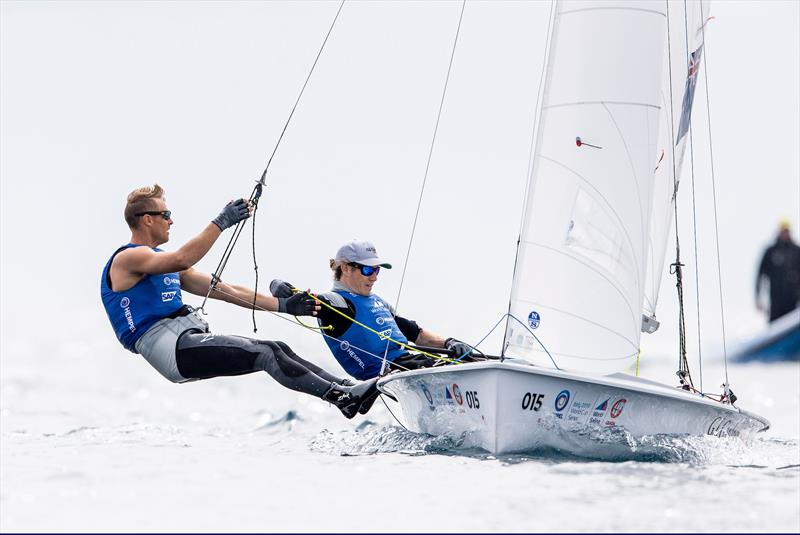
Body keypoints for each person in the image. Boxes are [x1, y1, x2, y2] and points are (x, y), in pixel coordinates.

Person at [100, 184, 379, 418]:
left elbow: (227, 290)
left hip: (183, 341)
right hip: (169, 350)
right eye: (166, 214)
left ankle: (347, 389)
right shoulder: (128, 257)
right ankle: (342, 398)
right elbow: (182, 258)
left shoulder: (164, 264)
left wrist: (285, 305)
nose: (171, 221)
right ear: (147, 219)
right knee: (266, 354)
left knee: (277, 347)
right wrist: (221, 222)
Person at [270, 239, 481, 382]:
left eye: (377, 270)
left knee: (478, 361)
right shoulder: (336, 302)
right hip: (393, 374)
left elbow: (416, 334)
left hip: (413, 362)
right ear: (345, 268)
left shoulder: (379, 303)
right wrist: (277, 285)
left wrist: (450, 342)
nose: (374, 277)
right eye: (368, 270)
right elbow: (304, 299)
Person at [756, 219, 800, 322]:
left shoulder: (797, 251)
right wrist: (758, 298)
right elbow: (760, 275)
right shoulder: (771, 251)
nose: (785, 233)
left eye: (787, 231)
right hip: (776, 302)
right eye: (783, 231)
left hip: (793, 302)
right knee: (775, 325)